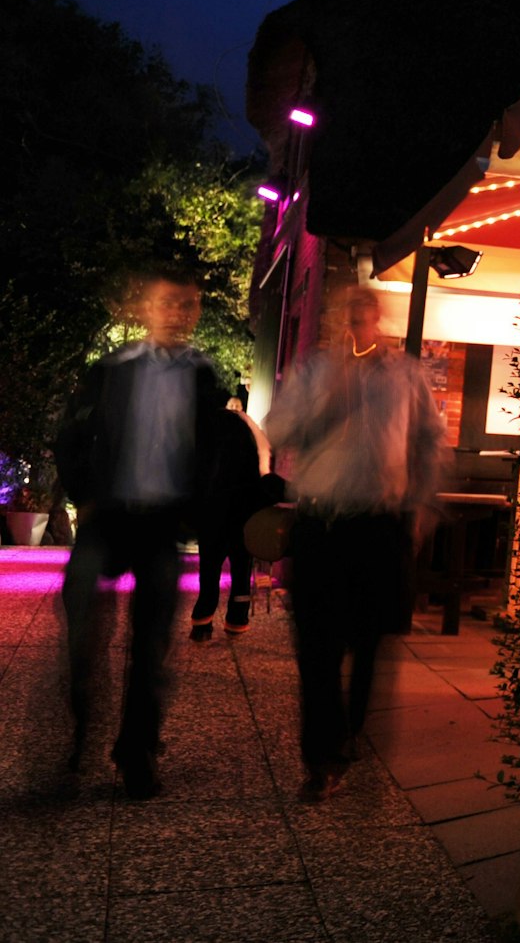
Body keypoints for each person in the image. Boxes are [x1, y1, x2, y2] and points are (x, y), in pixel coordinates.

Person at [53, 264, 230, 798]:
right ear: (146, 309)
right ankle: (81, 729)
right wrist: (83, 494)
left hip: (160, 524)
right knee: (82, 632)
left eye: (188, 304)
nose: (179, 313)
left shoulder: (205, 376)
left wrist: (196, 513)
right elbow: (71, 433)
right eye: (168, 302)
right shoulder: (113, 368)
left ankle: (136, 754)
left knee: (151, 646)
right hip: (107, 518)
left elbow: (215, 452)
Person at [265, 284, 447, 802]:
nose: (359, 325)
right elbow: (277, 428)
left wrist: (420, 505)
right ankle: (322, 758)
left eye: (367, 316)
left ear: (380, 320)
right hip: (322, 524)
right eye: (351, 316)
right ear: (339, 322)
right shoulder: (317, 371)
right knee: (318, 650)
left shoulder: (406, 376)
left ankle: (352, 734)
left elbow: (429, 440)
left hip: (379, 525)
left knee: (369, 641)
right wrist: (325, 399)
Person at [190, 392, 277, 641]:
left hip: (213, 514)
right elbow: (264, 474)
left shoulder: (209, 434)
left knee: (209, 568)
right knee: (241, 570)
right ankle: (236, 620)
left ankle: (203, 620)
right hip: (243, 515)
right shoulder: (250, 434)